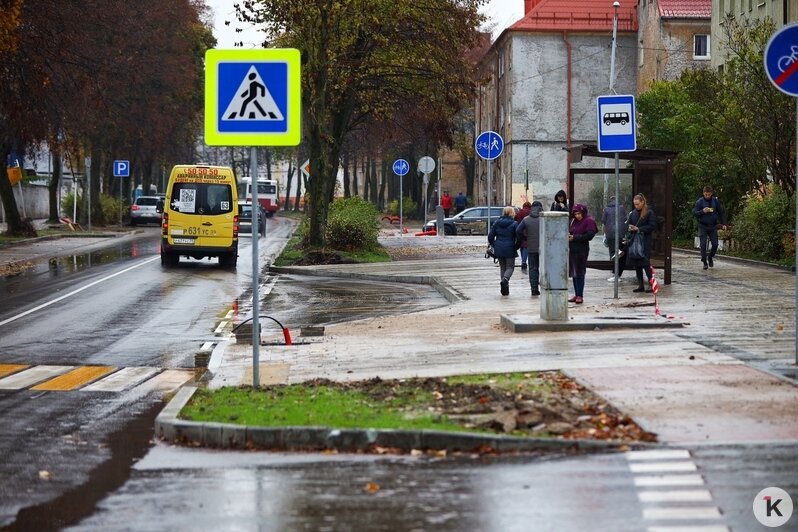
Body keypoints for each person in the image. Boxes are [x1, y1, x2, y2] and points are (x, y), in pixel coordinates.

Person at [568, 203, 597, 304]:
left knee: (579, 272)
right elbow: (571, 231)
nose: (577, 216)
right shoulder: (573, 221)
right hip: (572, 249)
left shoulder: (588, 221)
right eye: (575, 214)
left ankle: (580, 294)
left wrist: (575, 237)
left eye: (579, 214)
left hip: (581, 250)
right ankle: (576, 294)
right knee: (574, 272)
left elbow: (590, 235)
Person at [692, 185, 727, 270]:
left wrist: (724, 224)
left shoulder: (715, 201)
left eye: (709, 194)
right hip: (702, 226)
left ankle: (710, 257)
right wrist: (702, 211)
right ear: (703, 193)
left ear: (711, 193)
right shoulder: (700, 201)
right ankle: (704, 262)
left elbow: (721, 213)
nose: (707, 196)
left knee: (715, 244)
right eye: (706, 194)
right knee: (703, 245)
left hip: (712, 226)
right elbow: (694, 212)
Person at [627, 193, 656, 293]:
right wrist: (630, 228)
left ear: (643, 202)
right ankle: (641, 285)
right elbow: (629, 224)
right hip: (634, 241)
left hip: (645, 241)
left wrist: (639, 229)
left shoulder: (649, 212)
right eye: (635, 204)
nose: (636, 206)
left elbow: (652, 226)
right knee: (637, 263)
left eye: (638, 204)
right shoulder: (633, 213)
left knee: (645, 263)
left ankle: (651, 284)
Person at [488, 206, 519, 296]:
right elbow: (519, 237)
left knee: (503, 268)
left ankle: (505, 290)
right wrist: (516, 246)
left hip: (499, 248)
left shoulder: (497, 223)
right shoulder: (514, 224)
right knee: (510, 268)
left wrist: (494, 244)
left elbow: (490, 236)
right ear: (512, 213)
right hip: (510, 247)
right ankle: (505, 280)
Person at [516, 201, 544, 296]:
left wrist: (524, 238)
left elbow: (518, 230)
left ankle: (534, 289)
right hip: (544, 248)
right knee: (544, 268)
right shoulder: (544, 219)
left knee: (532, 268)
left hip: (531, 247)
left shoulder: (526, 219)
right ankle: (545, 287)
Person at [602, 196, 626, 282]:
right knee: (620, 255)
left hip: (611, 234)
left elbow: (603, 220)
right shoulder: (621, 208)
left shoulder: (607, 209)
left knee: (614, 255)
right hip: (621, 234)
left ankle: (615, 275)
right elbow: (625, 219)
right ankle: (617, 274)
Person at [514, 201, 532, 271]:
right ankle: (524, 262)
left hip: (520, 231)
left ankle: (523, 260)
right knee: (526, 247)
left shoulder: (519, 212)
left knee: (522, 246)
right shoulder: (530, 212)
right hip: (528, 232)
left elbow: (515, 219)